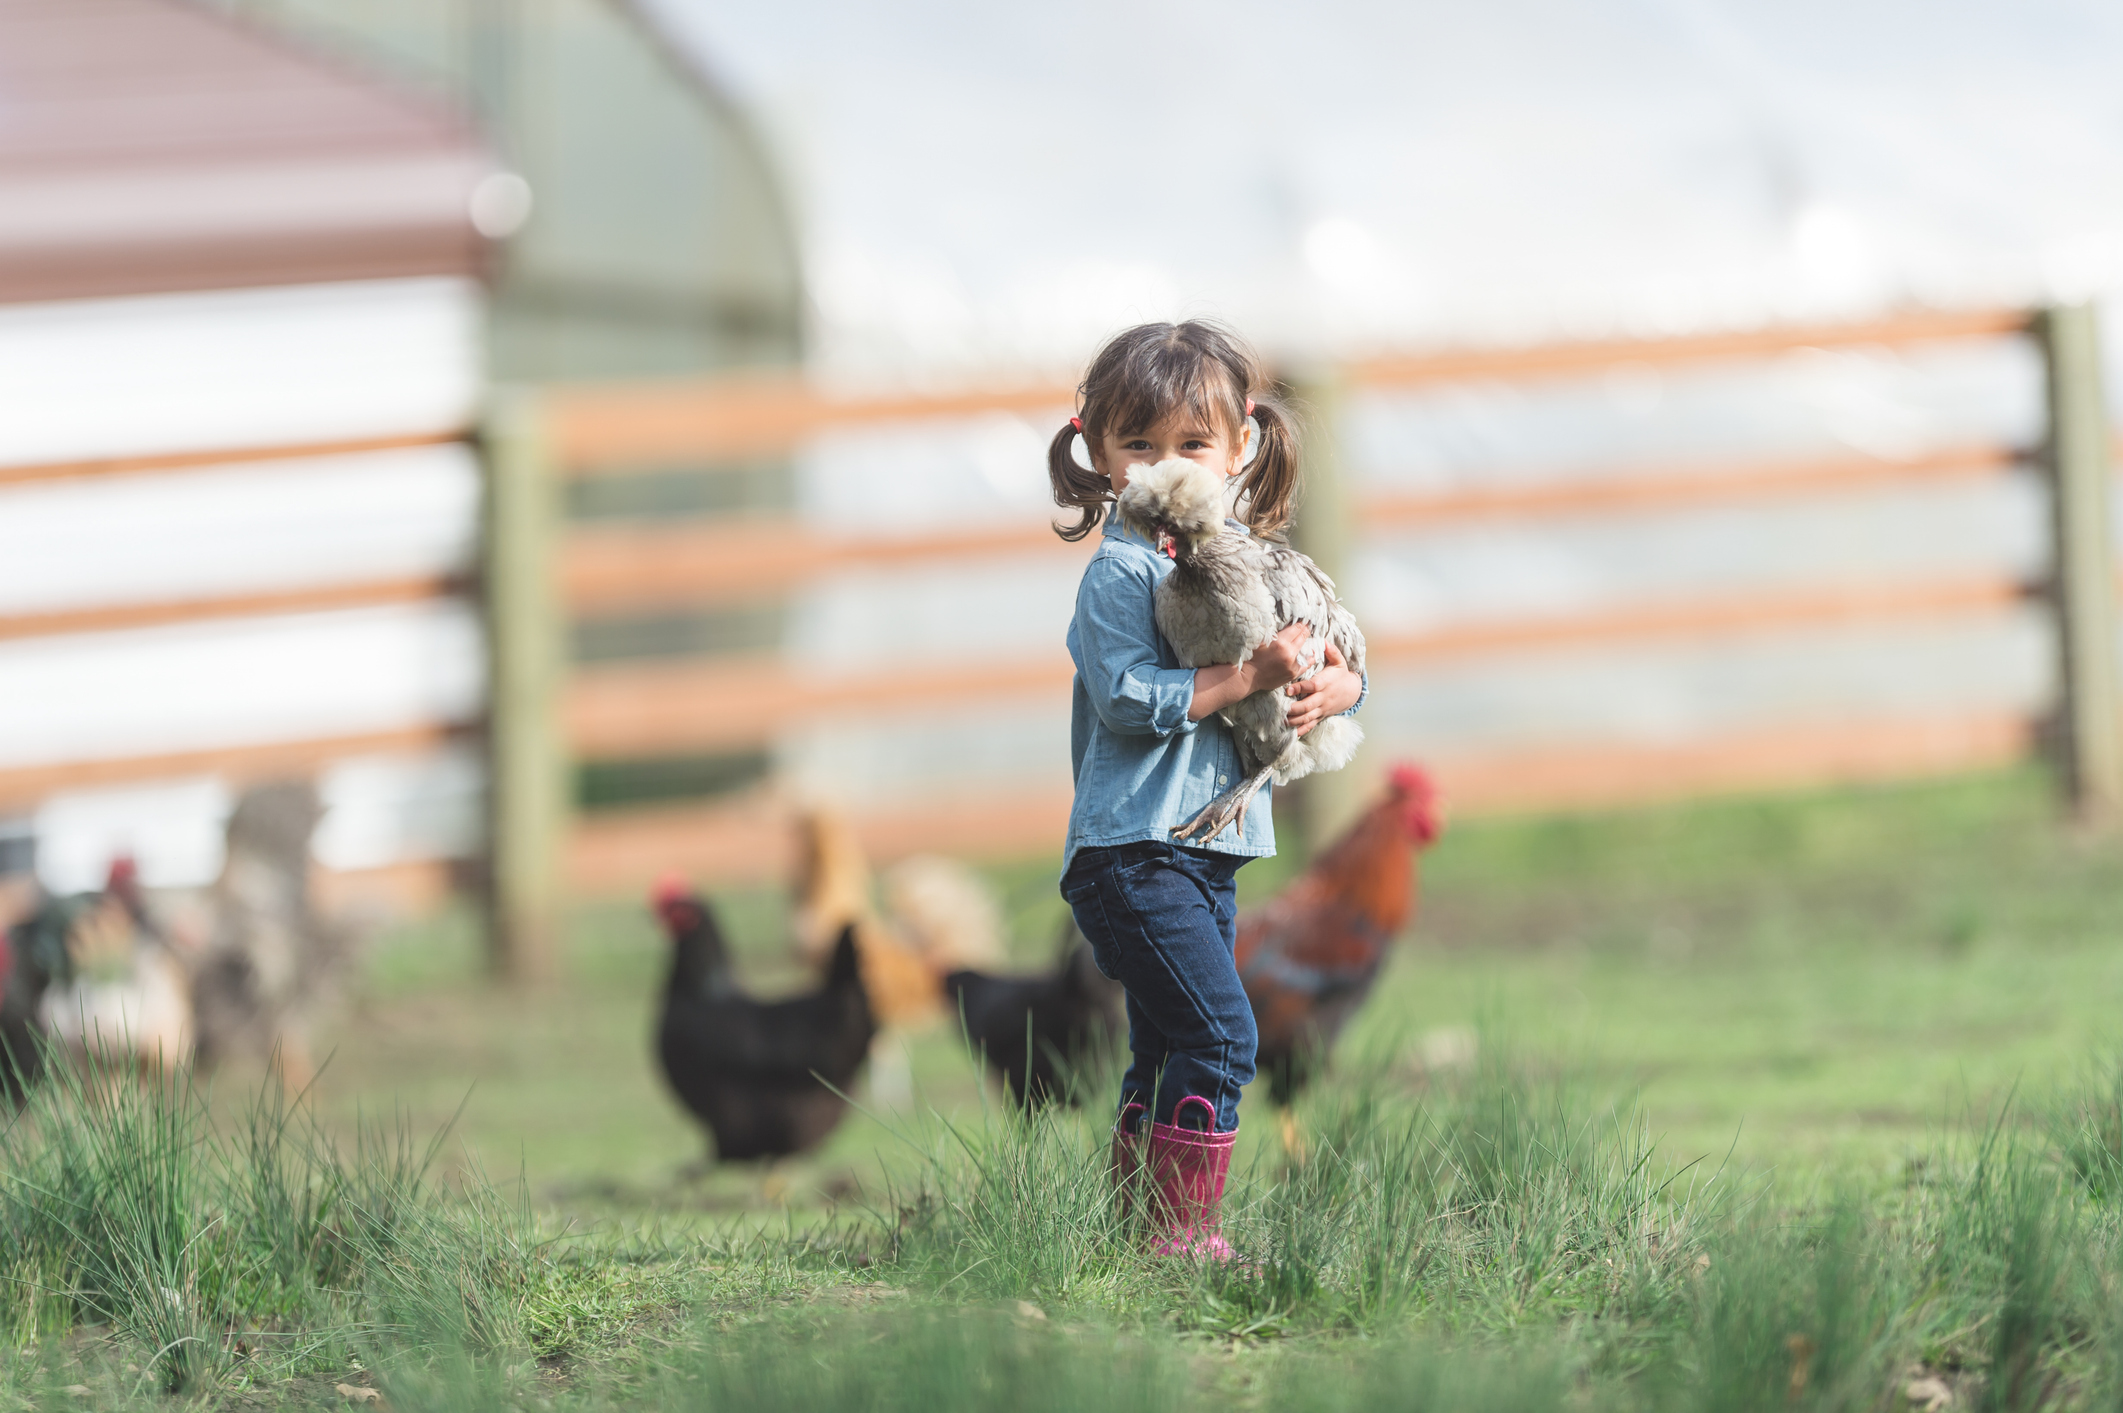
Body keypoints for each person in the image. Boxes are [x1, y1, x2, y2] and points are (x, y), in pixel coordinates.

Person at [1048, 320, 1366, 1258]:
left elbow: (1330, 641)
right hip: (1132, 853)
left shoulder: (1249, 562)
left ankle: (1139, 1236)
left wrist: (1333, 683)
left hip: (1200, 854)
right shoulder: (1120, 574)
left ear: (1238, 449)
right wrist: (1250, 677)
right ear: (1099, 453)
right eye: (1137, 445)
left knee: (1164, 1044)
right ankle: (1185, 1237)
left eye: (1190, 443)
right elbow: (1129, 699)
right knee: (1224, 1036)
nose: (1162, 465)